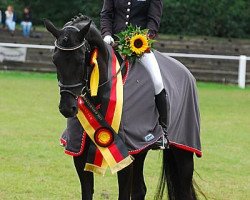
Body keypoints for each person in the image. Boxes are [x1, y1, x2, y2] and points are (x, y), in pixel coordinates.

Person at [100, 0, 168, 149]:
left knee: (157, 82)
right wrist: (106, 34)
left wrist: (143, 38)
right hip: (113, 44)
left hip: (140, 46)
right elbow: (106, 15)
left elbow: (153, 20)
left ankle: (163, 132)